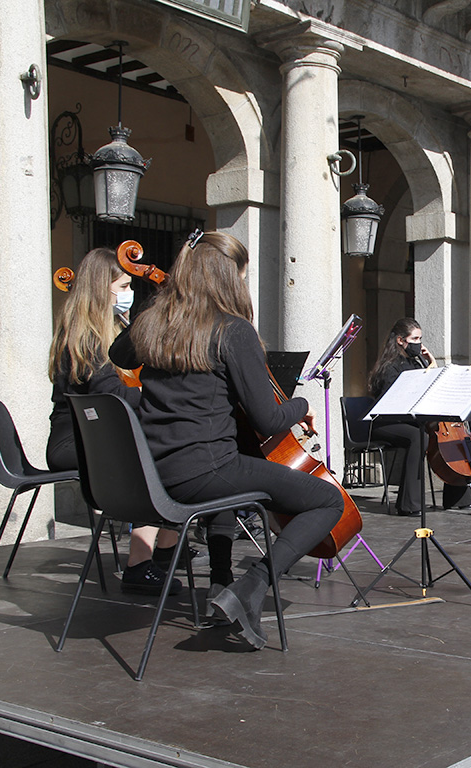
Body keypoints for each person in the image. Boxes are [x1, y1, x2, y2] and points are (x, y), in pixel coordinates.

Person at [110, 231, 343, 650]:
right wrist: (301, 403)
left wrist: (163, 299)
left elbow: (119, 355)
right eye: (242, 275)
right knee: (327, 500)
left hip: (149, 475)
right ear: (227, 278)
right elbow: (268, 418)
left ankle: (222, 580)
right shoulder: (233, 331)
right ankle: (249, 588)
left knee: (237, 464)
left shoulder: (154, 324)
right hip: (204, 471)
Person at [46, 247, 182, 595]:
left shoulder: (100, 330)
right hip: (71, 442)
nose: (128, 294)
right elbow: (113, 397)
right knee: (157, 455)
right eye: (123, 286)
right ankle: (141, 563)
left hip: (91, 435)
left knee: (162, 448)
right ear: (99, 287)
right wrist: (165, 399)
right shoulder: (86, 337)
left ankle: (165, 548)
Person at [366, 318, 435, 515]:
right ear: (400, 340)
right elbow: (393, 404)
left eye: (420, 338)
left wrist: (431, 364)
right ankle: (408, 504)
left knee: (438, 429)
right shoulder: (391, 366)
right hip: (384, 422)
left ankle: (456, 496)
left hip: (407, 420)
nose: (419, 343)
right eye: (414, 338)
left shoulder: (415, 363)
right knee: (418, 436)